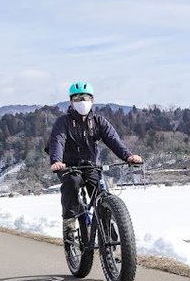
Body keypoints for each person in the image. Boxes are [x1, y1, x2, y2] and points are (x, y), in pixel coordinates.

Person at [47, 82, 143, 241]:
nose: (81, 101)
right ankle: (70, 223)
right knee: (72, 182)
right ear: (71, 101)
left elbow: (113, 140)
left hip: (91, 165)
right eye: (77, 98)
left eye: (85, 97)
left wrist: (128, 156)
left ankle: (107, 227)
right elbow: (58, 141)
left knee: (99, 192)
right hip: (68, 166)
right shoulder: (62, 122)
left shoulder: (99, 121)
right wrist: (57, 161)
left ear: (92, 100)